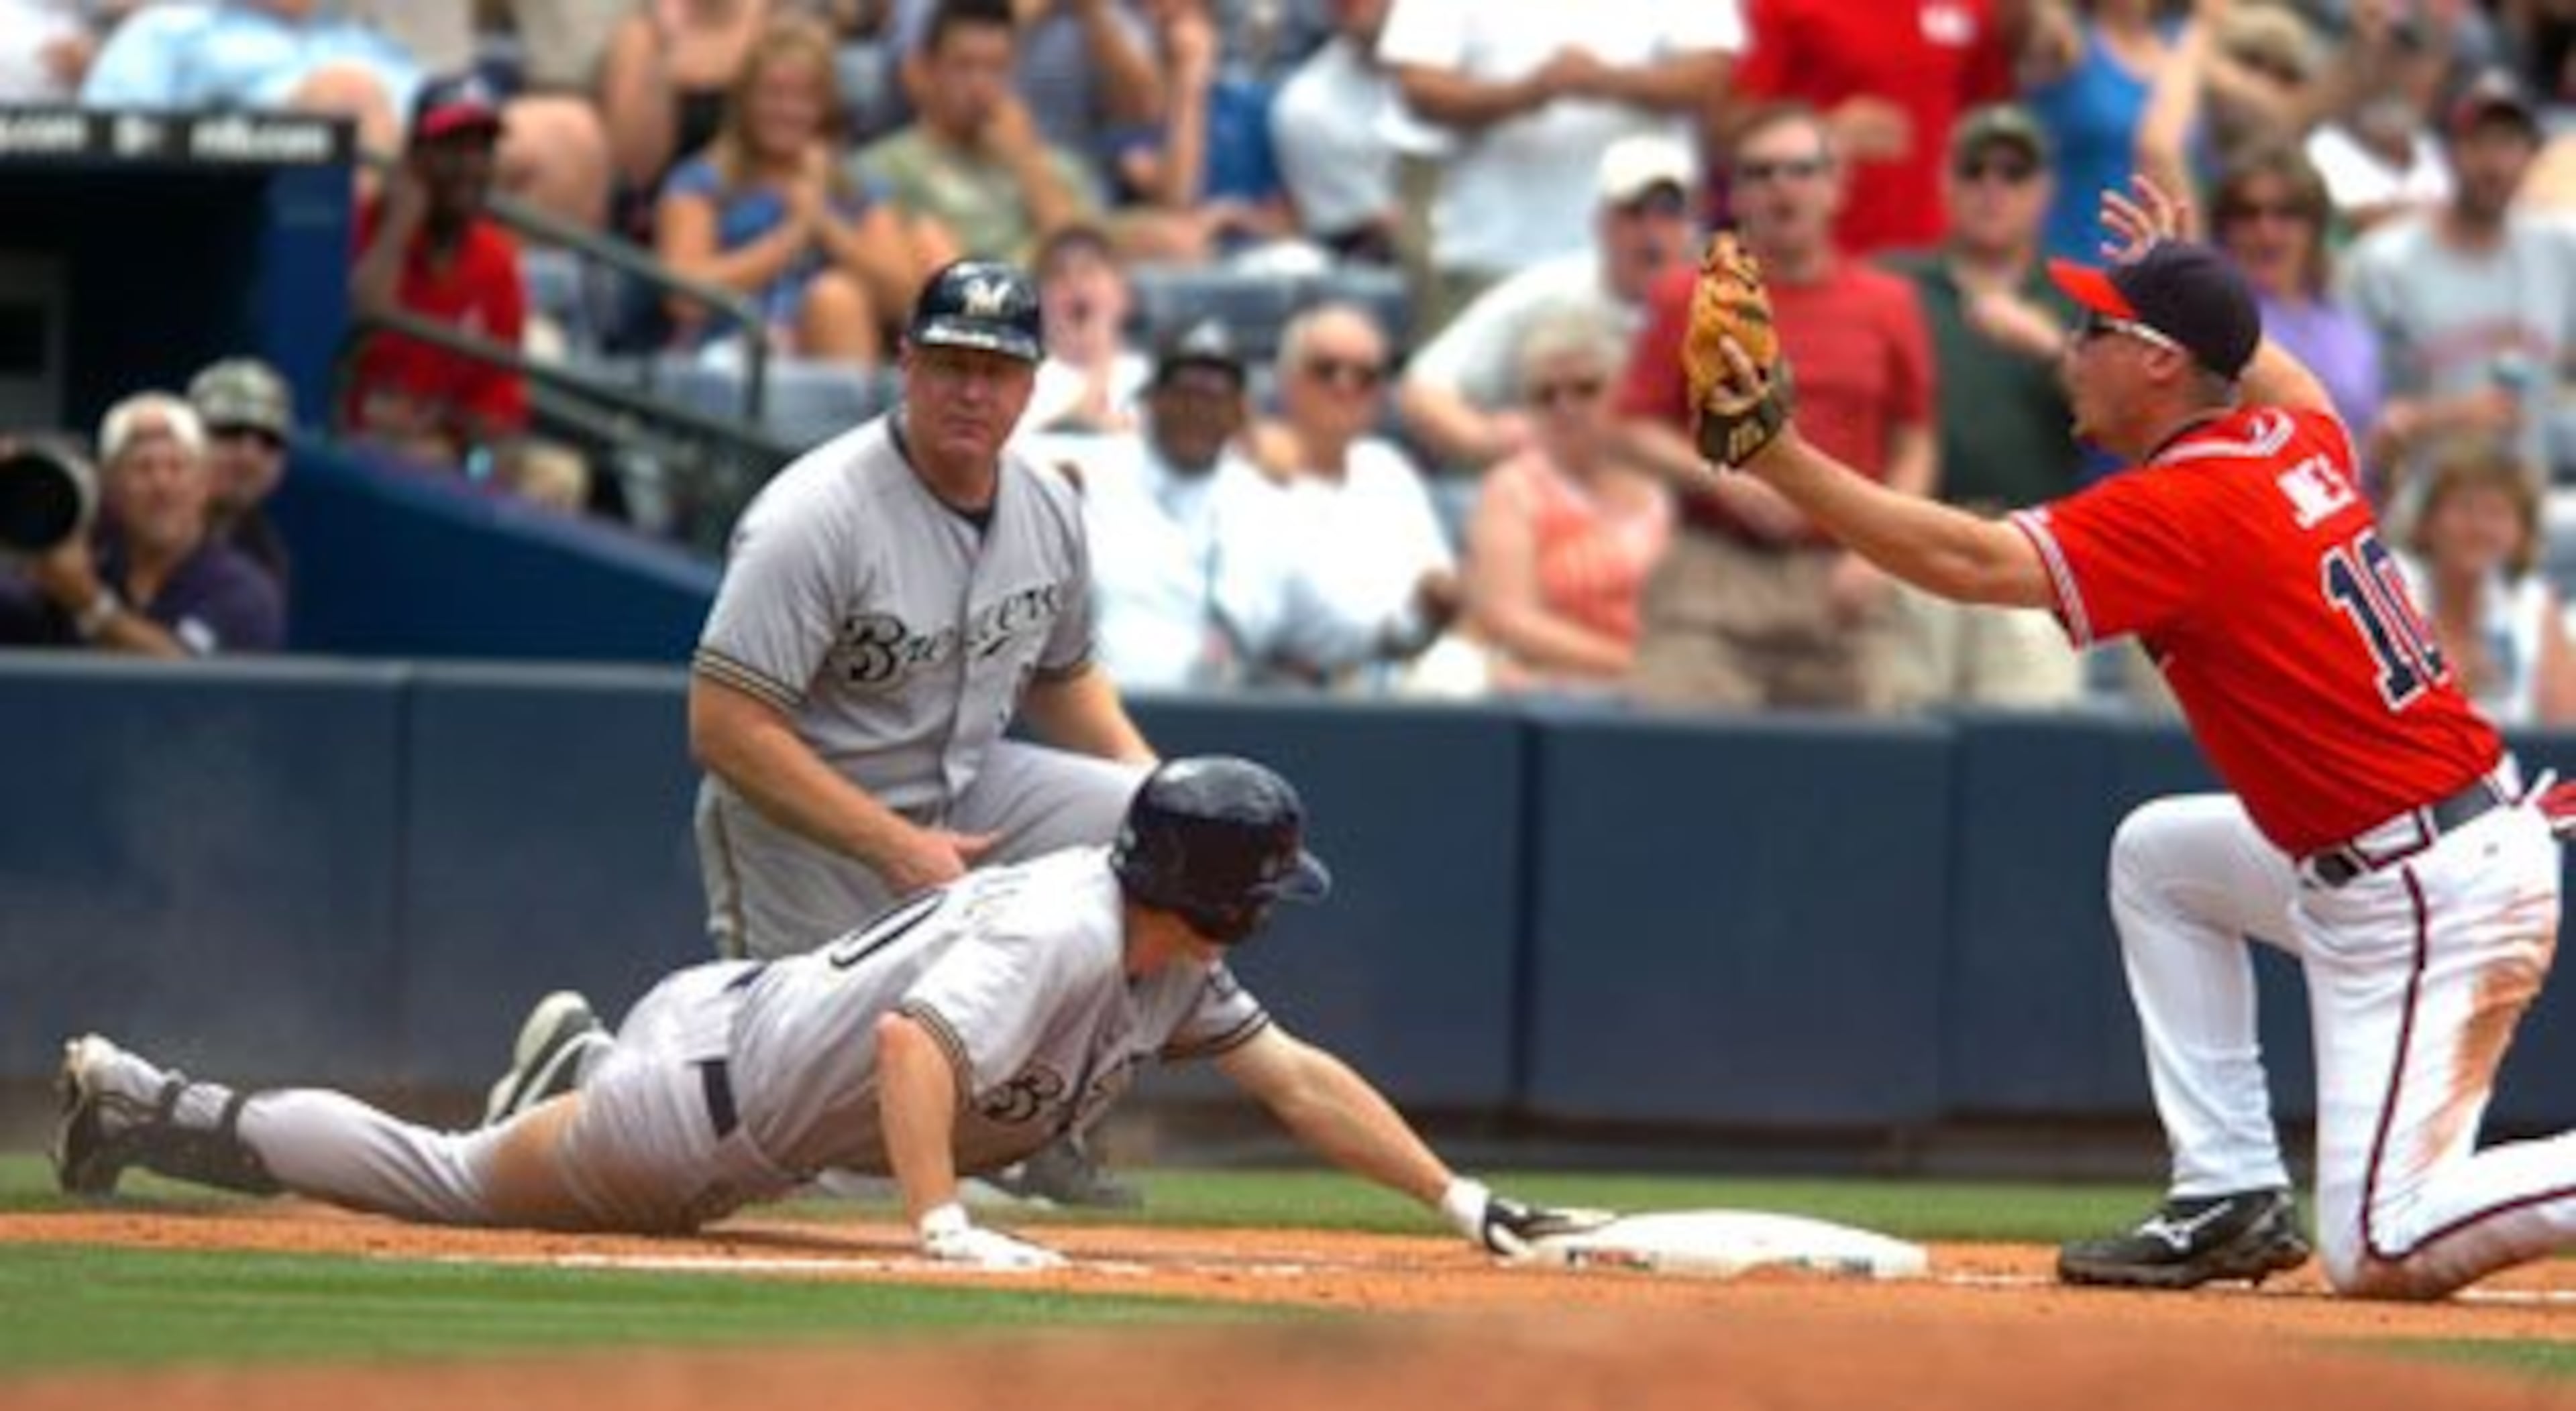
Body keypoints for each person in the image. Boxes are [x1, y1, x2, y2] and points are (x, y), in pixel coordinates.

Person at [1698, 172, 2576, 1300]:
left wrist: (1781, 457)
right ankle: (2228, 1192)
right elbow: (2283, 368)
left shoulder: (2186, 507)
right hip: (2413, 852)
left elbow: (1967, 562)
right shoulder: (2292, 436)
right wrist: (2193, 288)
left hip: (2425, 894)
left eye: (2096, 329)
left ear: (2162, 362)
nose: (2070, 346)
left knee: (2382, 1245)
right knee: (2162, 855)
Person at [52, 755, 1605, 1267]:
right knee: (446, 1176)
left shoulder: (1159, 948)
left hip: (732, 1025)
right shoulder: (1068, 932)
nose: (1275, 905)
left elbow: (1298, 1079)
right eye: (1265, 883)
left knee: (504, 1143)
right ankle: (145, 1095)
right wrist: (944, 1225)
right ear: (1212, 886)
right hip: (697, 1123)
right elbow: (910, 1044)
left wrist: (1463, 1200)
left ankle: (571, 1061)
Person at [687, 257, 1157, 1204]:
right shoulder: (816, 513)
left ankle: (1046, 1115)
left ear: (1032, 386)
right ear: (905, 364)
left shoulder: (1048, 506)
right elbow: (726, 726)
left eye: (996, 370)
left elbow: (1064, 679)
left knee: (1159, 833)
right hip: (808, 820)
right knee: (802, 1148)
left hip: (967, 788)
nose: (972, 390)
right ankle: (581, 1073)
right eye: (950, 364)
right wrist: (894, 846)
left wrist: (1160, 783)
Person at [1615, 105, 1937, 714]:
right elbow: (1629, 427)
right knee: (1669, 745)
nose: (1782, 188)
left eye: (1801, 170)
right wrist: (1722, 477)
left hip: (1841, 572)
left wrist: (1884, 550)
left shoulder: (1889, 302)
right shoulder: (1688, 295)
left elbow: (1916, 438)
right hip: (1716, 571)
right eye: (1760, 173)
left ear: (1836, 187)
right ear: (1735, 194)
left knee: (1892, 755)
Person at [1878, 103, 2085, 711]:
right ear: (1945, 182)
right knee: (1899, 751)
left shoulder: (2079, 297)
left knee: (2026, 753)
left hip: (2028, 558)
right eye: (1975, 170)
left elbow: (2130, 424)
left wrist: (2050, 347)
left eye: (2013, 173)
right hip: (1910, 548)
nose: (1993, 188)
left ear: (2044, 190)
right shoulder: (1894, 284)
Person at [1396, 132, 1699, 473]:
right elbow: (1423, 387)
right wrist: (1484, 439)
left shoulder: (1726, 307)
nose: (1651, 233)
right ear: (1601, 222)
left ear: (1692, 226)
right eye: (1633, 213)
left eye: (1669, 214)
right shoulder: (1548, 292)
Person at [653, 15, 944, 368]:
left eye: (803, 96)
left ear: (825, 107)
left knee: (836, 299)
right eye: (773, 93)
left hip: (823, 350)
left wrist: (826, 226)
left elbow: (906, 301)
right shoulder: (701, 181)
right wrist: (791, 236)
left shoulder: (856, 188)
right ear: (745, 99)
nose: (787, 110)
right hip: (724, 354)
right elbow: (684, 298)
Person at [2342, 68, 2576, 504]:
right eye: (2477, 142)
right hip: (2414, 524)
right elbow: (2346, 416)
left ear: (2531, 153)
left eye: (2509, 143)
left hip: (2522, 522)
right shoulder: (2382, 263)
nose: (2494, 163)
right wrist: (2447, 417)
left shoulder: (2560, 252)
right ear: (2447, 151)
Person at [1462, 302, 1670, 695]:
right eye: (1545, 395)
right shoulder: (1512, 489)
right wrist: (1633, 665)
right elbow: (1510, 619)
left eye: (1585, 389)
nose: (1565, 406)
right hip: (1561, 688)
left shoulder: (1667, 482)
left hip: (1682, 682)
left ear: (1623, 390)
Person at [345, 72, 533, 475]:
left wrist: (446, 436)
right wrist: (398, 227)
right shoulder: (362, 227)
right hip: (347, 446)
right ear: (413, 156)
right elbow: (354, 329)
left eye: (482, 150)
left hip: (448, 459)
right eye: (453, 149)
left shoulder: (496, 261)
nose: (470, 167)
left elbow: (500, 409)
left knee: (547, 473)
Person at [0, 393, 284, 657]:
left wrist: (90, 604)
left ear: (204, 485)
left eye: (176, 467)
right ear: (110, 489)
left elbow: (191, 679)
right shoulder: (81, 570)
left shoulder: (242, 589)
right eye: (142, 468)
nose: (161, 486)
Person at [850, 0, 1105, 262]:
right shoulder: (885, 168)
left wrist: (1028, 163)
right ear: (924, 71)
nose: (980, 85)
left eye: (996, 68)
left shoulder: (1057, 167)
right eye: (964, 66)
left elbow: (1083, 264)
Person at [2395, 443, 2576, 728]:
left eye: (2496, 513)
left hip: (2514, 765)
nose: (2478, 527)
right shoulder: (2393, 588)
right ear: (2427, 523)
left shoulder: (2534, 605)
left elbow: (2563, 736)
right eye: (2464, 507)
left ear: (2522, 534)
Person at [186, 356, 297, 596]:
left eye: (270, 441)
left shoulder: (263, 558)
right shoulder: (124, 522)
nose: (249, 458)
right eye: (230, 432)